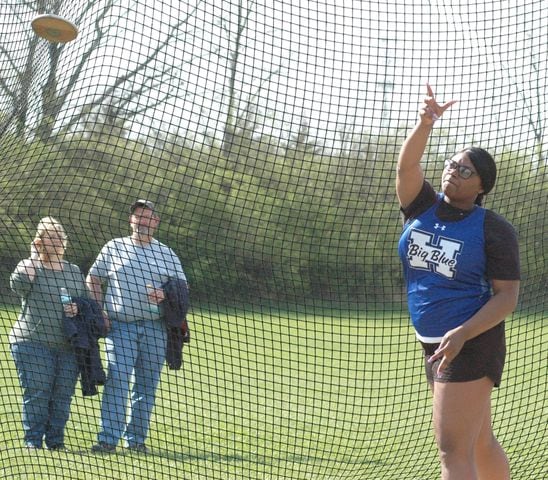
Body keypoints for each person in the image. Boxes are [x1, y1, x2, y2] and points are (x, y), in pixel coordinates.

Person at [396, 84, 520, 480]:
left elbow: (507, 298)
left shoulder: (493, 229)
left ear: (482, 185)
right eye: (451, 164)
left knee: (452, 451)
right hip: (433, 340)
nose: (453, 171)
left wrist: (464, 332)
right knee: (479, 442)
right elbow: (406, 168)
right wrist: (425, 123)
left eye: (465, 170)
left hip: (471, 339)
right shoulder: (421, 206)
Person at [87, 199, 188, 453]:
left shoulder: (167, 253)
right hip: (120, 326)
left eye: (147, 217)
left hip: (156, 329)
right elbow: (93, 279)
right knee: (117, 379)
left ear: (156, 222)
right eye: (138, 216)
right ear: (130, 220)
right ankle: (108, 439)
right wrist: (100, 313)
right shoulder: (114, 247)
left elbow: (183, 289)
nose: (142, 221)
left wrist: (164, 294)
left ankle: (136, 441)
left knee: (147, 385)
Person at [10, 217, 86, 450]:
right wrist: (34, 255)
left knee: (62, 394)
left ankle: (55, 442)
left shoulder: (73, 271)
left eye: (59, 237)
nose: (55, 242)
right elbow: (18, 285)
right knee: (38, 390)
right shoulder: (30, 266)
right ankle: (33, 441)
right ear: (39, 241)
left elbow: (86, 301)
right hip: (32, 342)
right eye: (49, 237)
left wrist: (78, 307)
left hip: (67, 345)